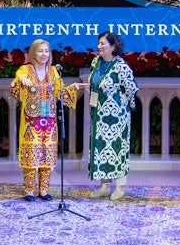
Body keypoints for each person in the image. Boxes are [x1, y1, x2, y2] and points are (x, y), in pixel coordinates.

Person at [10, 39, 84, 201]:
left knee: (47, 155)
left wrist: (73, 89)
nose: (44, 54)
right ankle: (29, 190)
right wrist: (21, 81)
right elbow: (17, 81)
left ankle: (44, 190)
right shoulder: (25, 69)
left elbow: (59, 91)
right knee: (31, 155)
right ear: (33, 53)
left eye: (46, 51)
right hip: (31, 122)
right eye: (40, 51)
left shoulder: (53, 72)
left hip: (49, 123)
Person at [86, 31, 138, 201]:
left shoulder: (120, 66)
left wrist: (121, 105)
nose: (99, 46)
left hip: (117, 118)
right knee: (100, 150)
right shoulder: (96, 62)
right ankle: (104, 186)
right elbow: (93, 84)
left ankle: (119, 187)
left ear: (113, 46)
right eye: (98, 43)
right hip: (99, 114)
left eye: (103, 43)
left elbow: (131, 88)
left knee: (117, 150)